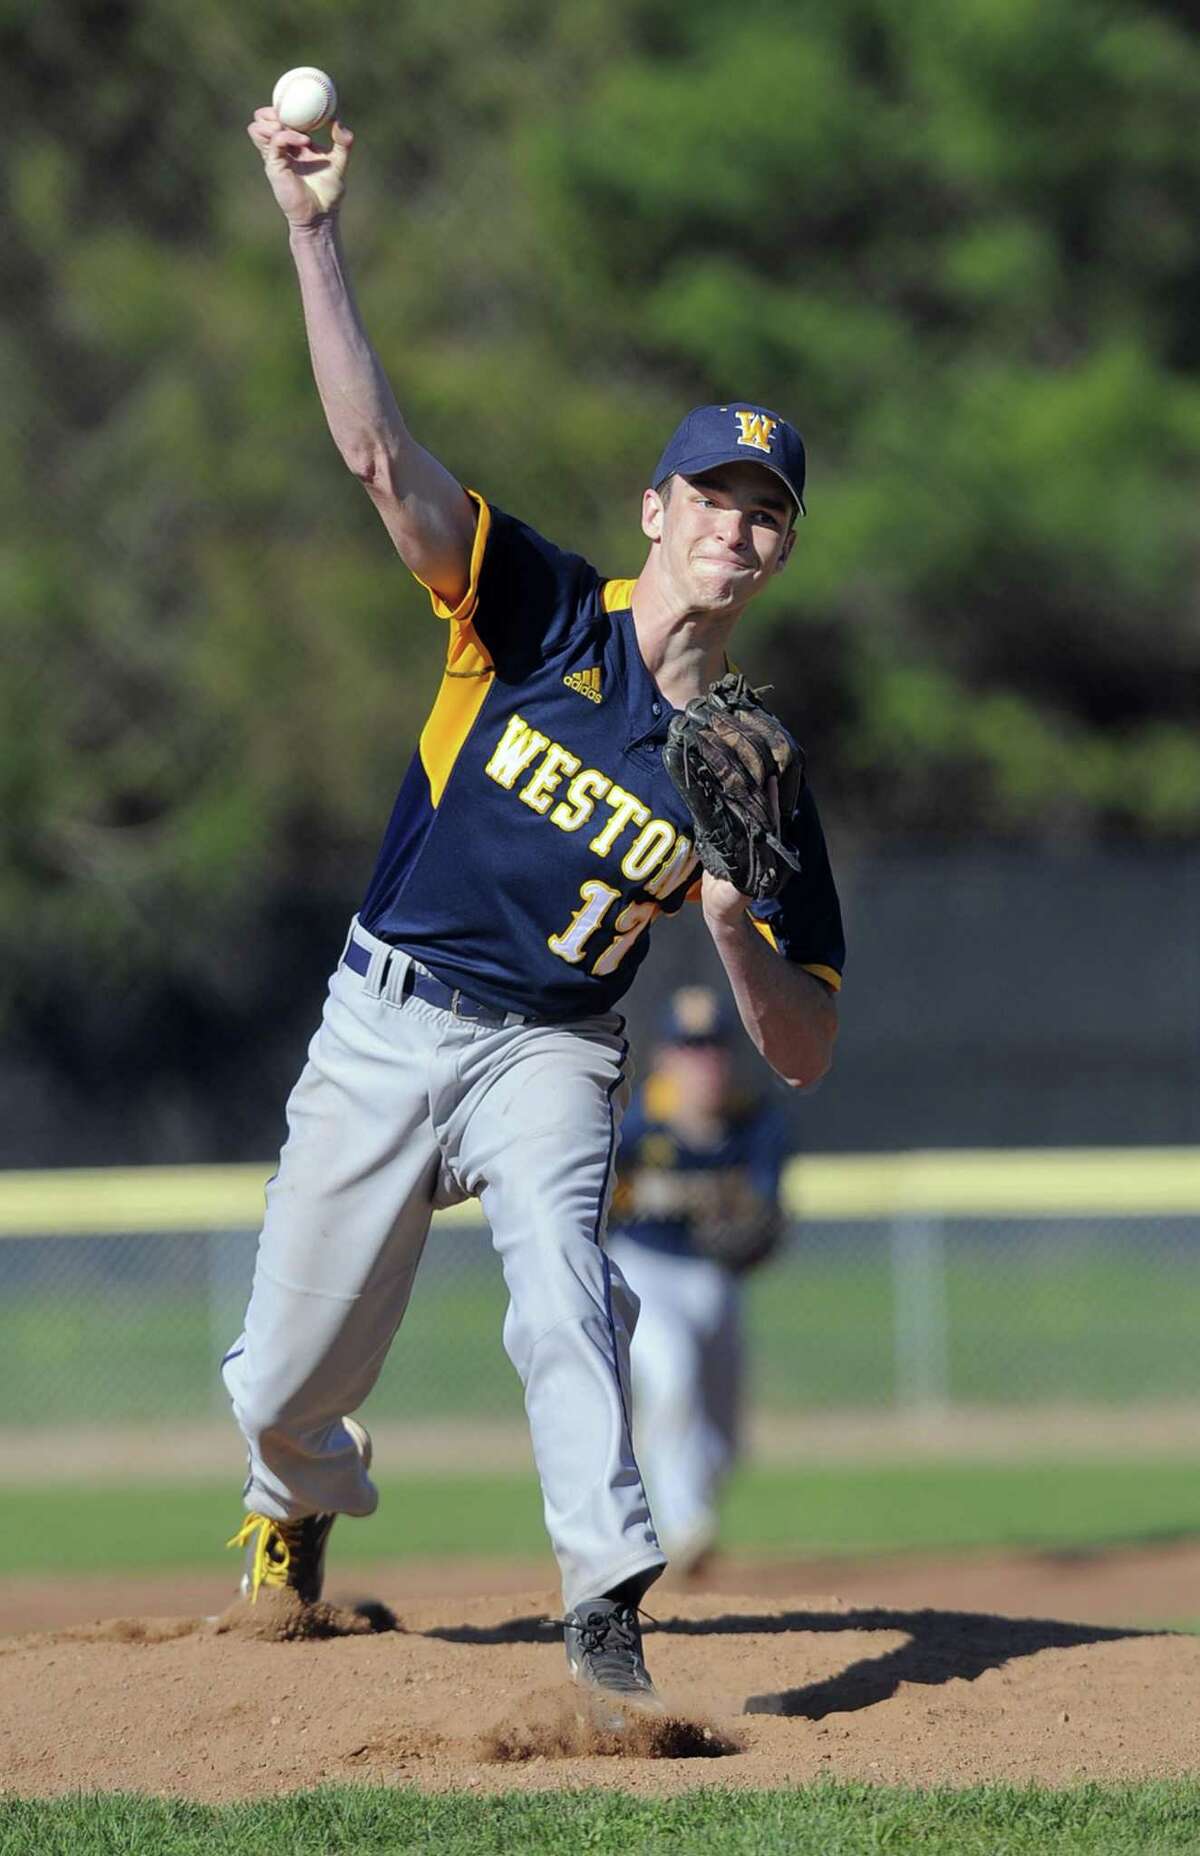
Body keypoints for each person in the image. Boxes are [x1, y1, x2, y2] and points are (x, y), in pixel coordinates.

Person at [223, 101, 845, 1712]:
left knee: (568, 1291)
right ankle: (296, 1500)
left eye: (764, 509)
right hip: (386, 1006)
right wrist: (311, 230)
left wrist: (728, 917)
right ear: (657, 511)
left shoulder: (755, 768)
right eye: (709, 493)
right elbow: (375, 454)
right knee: (286, 1381)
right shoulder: (540, 608)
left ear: (781, 552)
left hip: (550, 1054)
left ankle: (604, 1616)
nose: (734, 522)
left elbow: (807, 1049)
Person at [608, 985, 790, 1579]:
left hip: (716, 1282)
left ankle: (692, 1504)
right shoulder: (635, 1123)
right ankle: (683, 1528)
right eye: (690, 1048)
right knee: (672, 1373)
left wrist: (760, 1231)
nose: (703, 1062)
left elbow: (766, 1216)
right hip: (644, 1269)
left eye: (712, 1047)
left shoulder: (754, 1124)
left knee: (726, 1439)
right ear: (666, 1057)